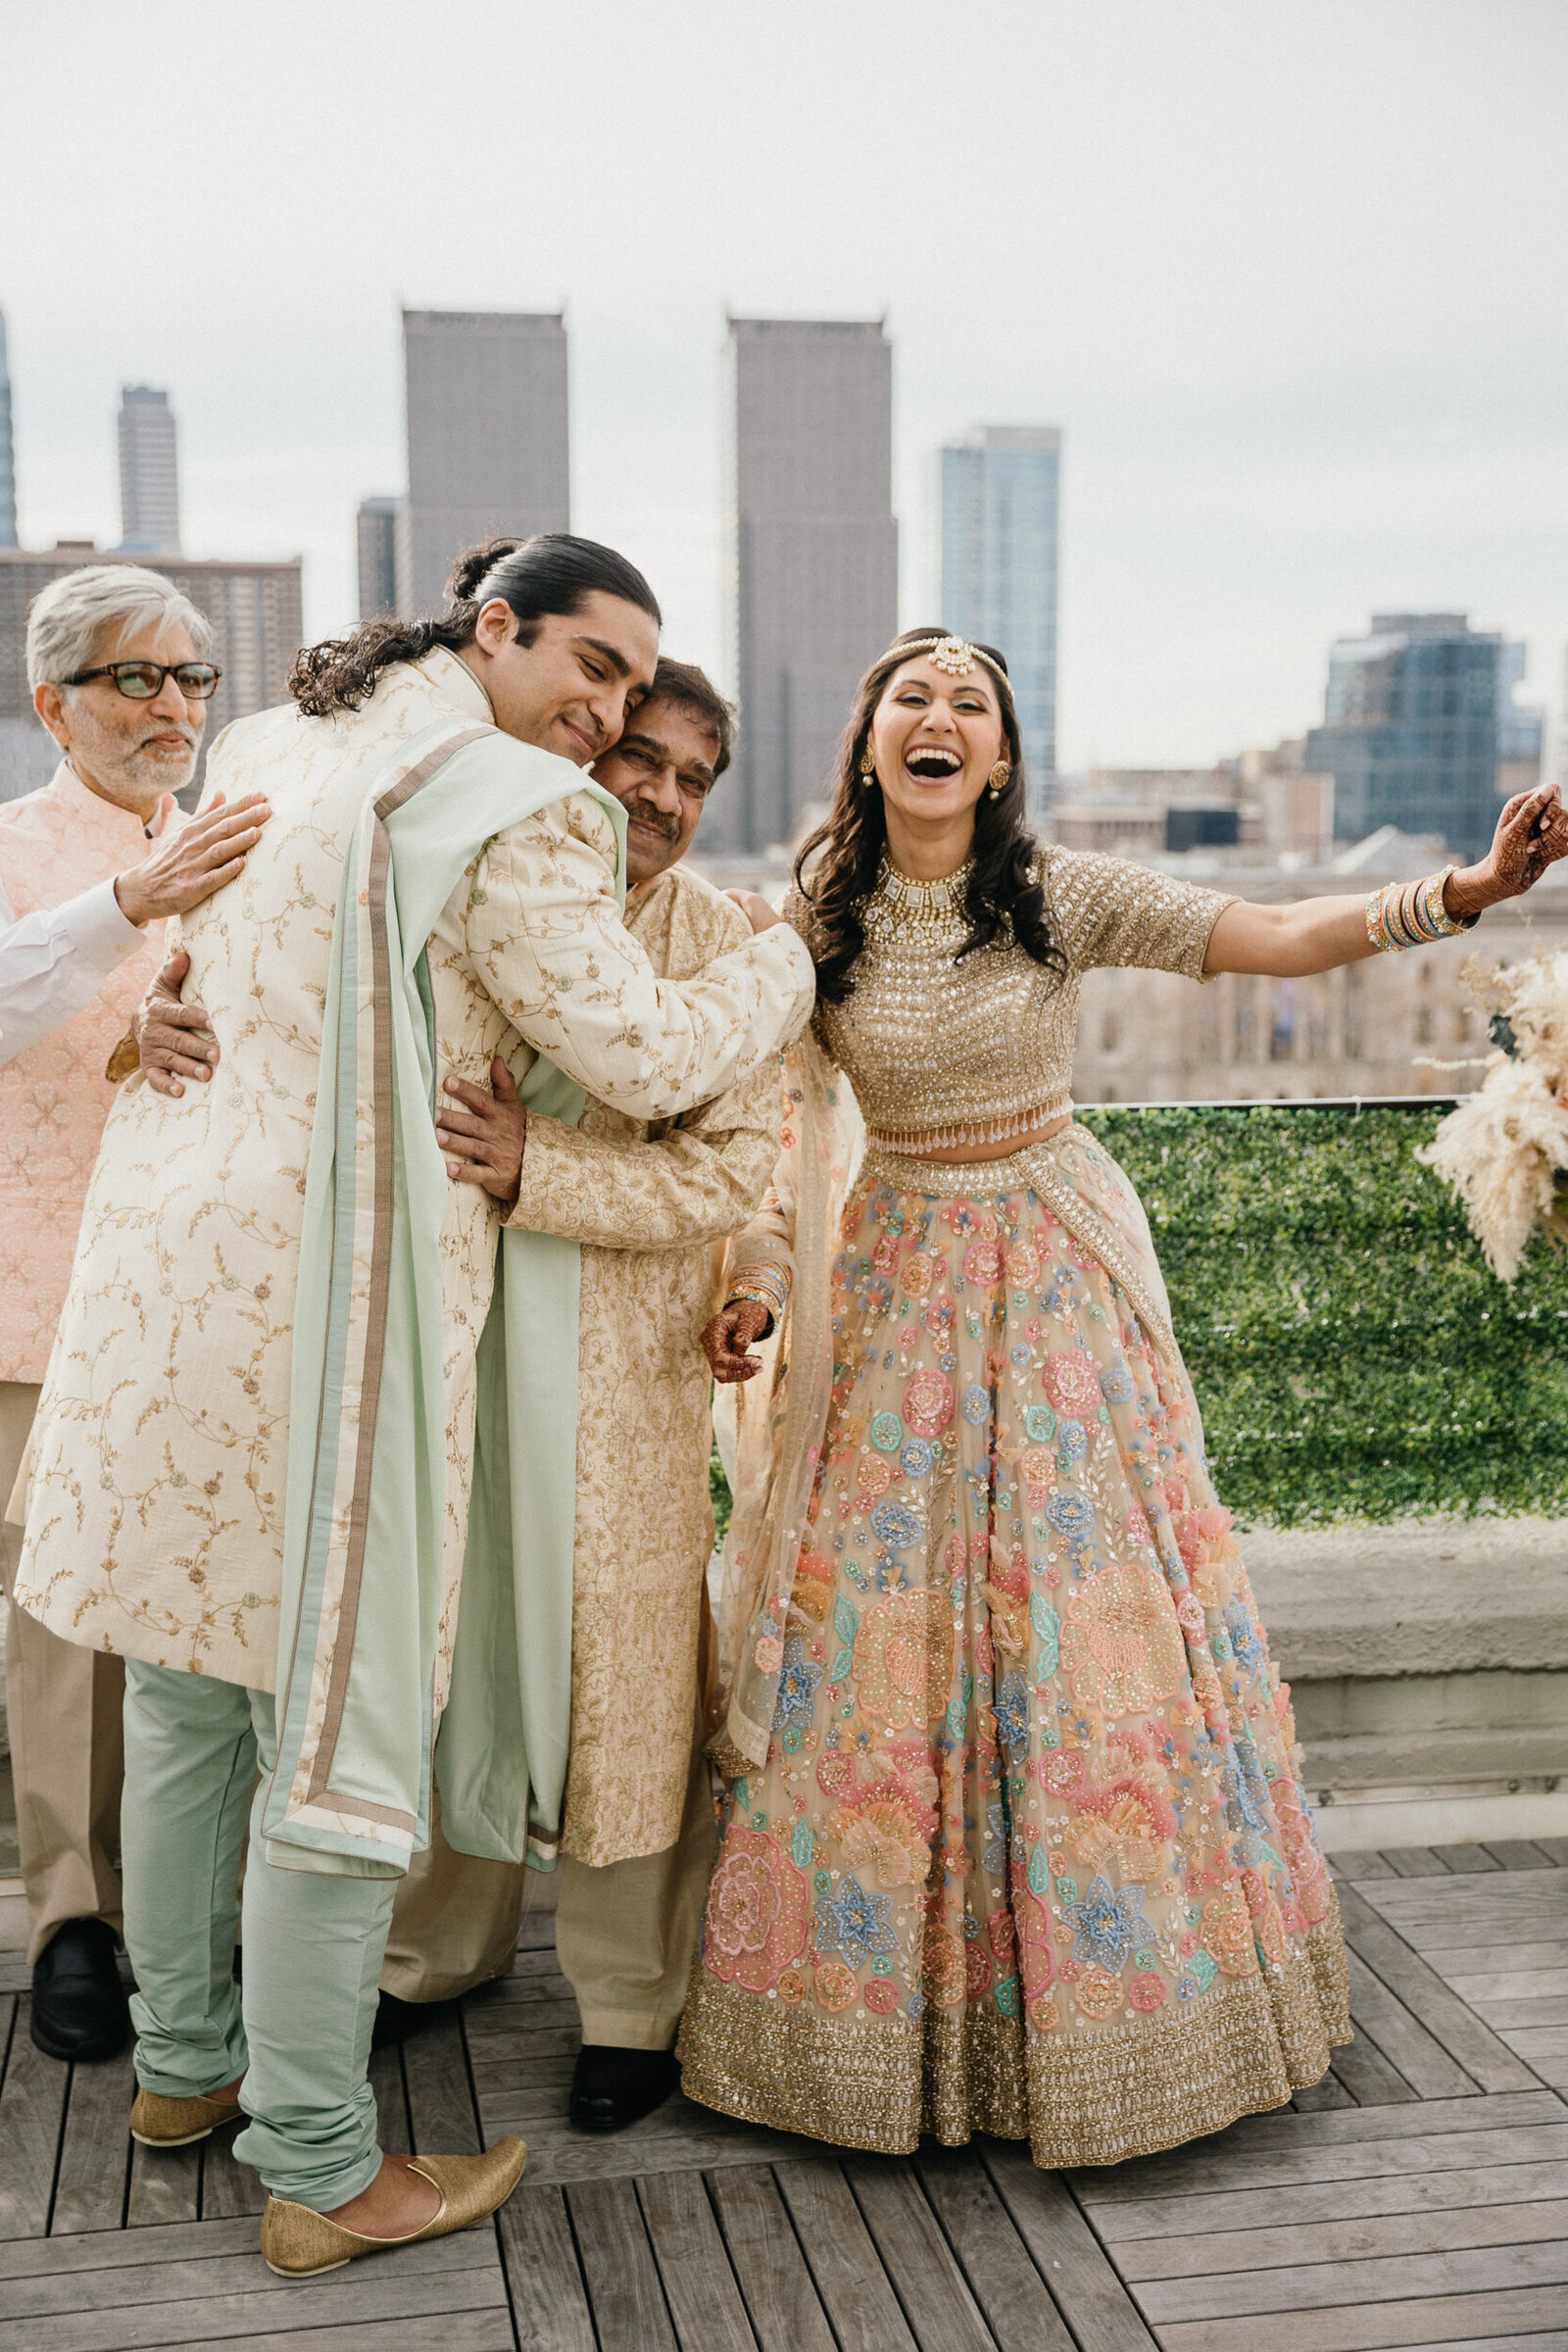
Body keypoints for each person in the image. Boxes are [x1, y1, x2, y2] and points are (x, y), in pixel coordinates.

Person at [12, 536, 813, 2278]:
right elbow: (652, 1060)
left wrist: (161, 1016)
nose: (604, 715)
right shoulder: (517, 802)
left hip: (174, 1299)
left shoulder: (282, 743)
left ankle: (181, 2072)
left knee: (187, 1697)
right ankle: (318, 2167)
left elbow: (208, 981)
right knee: (340, 1725)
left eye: (630, 690)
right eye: (592, 669)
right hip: (338, 1320)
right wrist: (790, 959)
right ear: (498, 628)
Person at [676, 626, 1568, 2173]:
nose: (941, 719)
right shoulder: (812, 911)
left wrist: (1466, 898)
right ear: (871, 741)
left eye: (971, 705)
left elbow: (1272, 937)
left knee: (1084, 1616)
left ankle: (1132, 2015)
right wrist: (752, 1276)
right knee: (882, 1634)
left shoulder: (1057, 894)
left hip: (1055, 1272)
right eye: (913, 698)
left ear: (1002, 759)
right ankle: (875, 2029)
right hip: (896, 1276)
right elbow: (763, 1117)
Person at [371, 659, 781, 2132]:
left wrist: (545, 1174)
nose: (662, 798)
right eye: (640, 761)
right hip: (455, 1348)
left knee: (630, 1681)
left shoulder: (724, 948)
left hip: (633, 1373)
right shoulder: (467, 899)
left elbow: (744, 1168)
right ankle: (435, 1951)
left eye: (693, 779)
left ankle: (630, 2003)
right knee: (454, 1645)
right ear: (581, 751)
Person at [0, 564, 267, 2065]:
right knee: (60, 1629)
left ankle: (189, 1907)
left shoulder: (237, 847)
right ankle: (71, 1924)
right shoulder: (16, 850)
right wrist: (124, 912)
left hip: (202, 1303)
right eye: (140, 679)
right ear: (55, 704)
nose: (178, 706)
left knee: (187, 1610)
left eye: (194, 680)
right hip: (36, 1300)